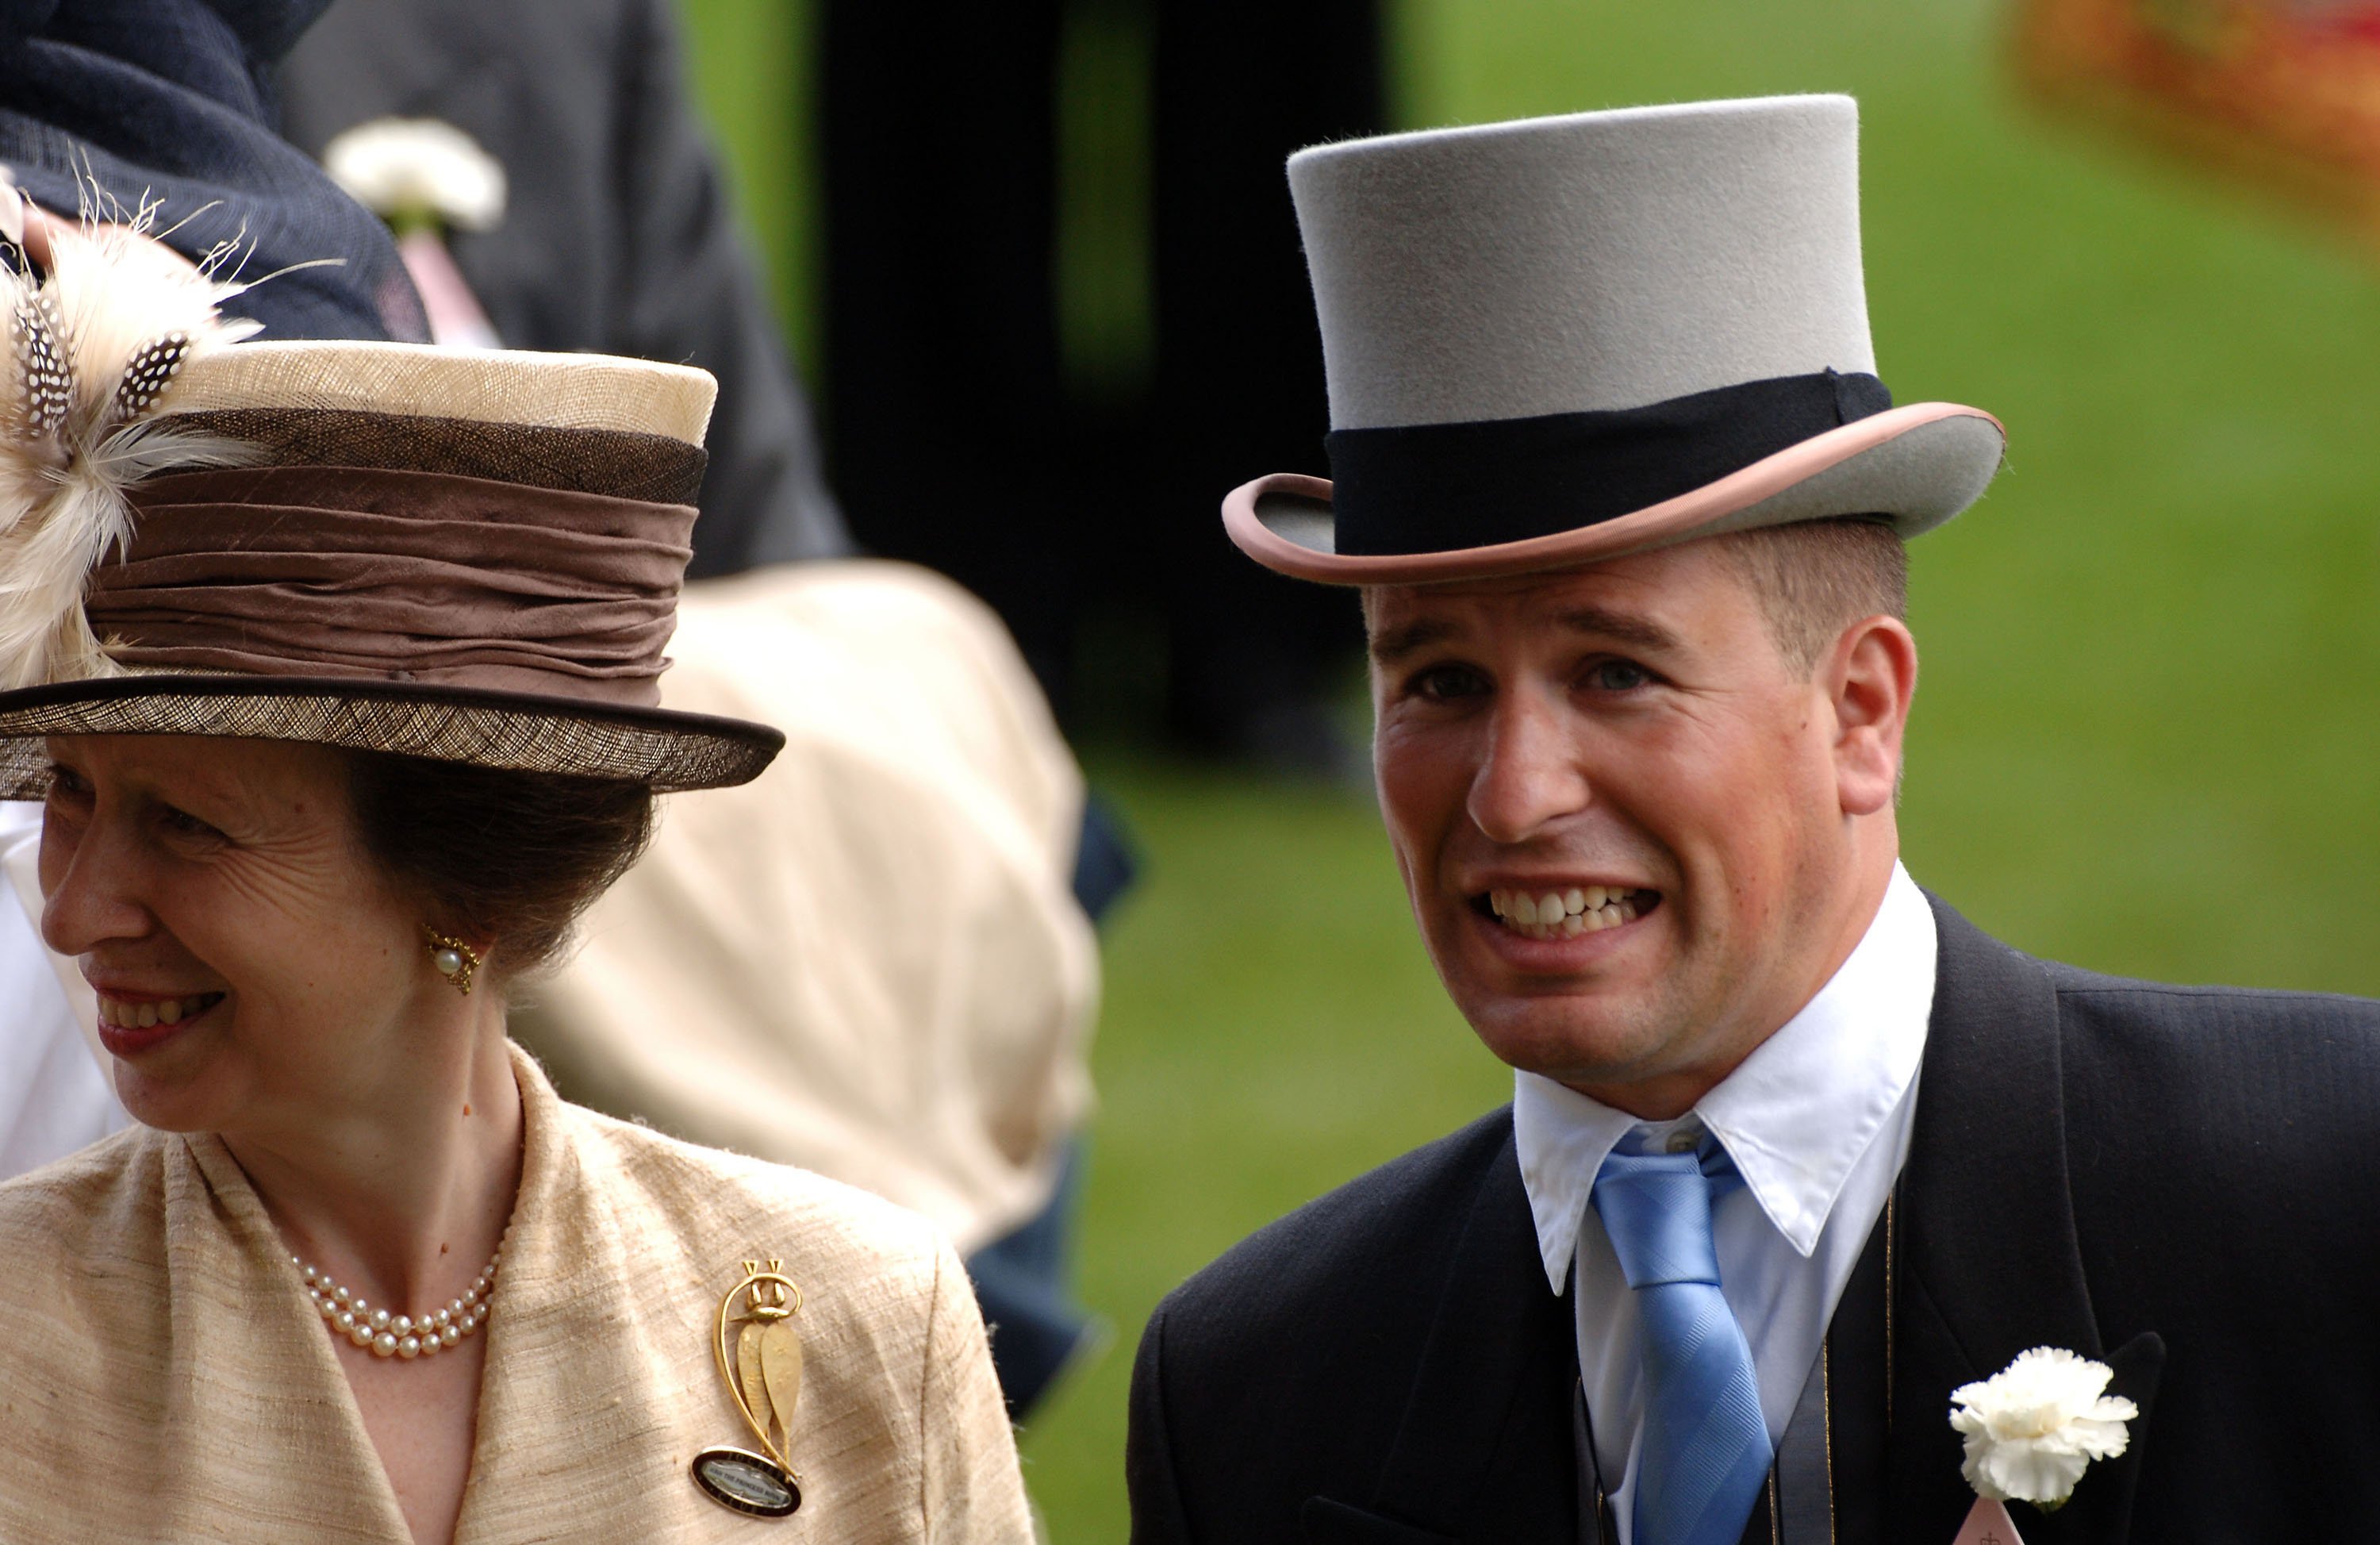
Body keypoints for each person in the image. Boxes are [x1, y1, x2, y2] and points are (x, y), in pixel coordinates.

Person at [1125, 96, 2380, 1543]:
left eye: (1617, 673)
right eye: (1441, 679)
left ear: (1861, 711)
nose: (1514, 793)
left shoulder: (2334, 1201)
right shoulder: (1251, 1390)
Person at [0, 214, 1031, 1542]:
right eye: (69, 794)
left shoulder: (858, 1324)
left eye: (191, 827)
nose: (75, 910)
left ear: (471, 887)